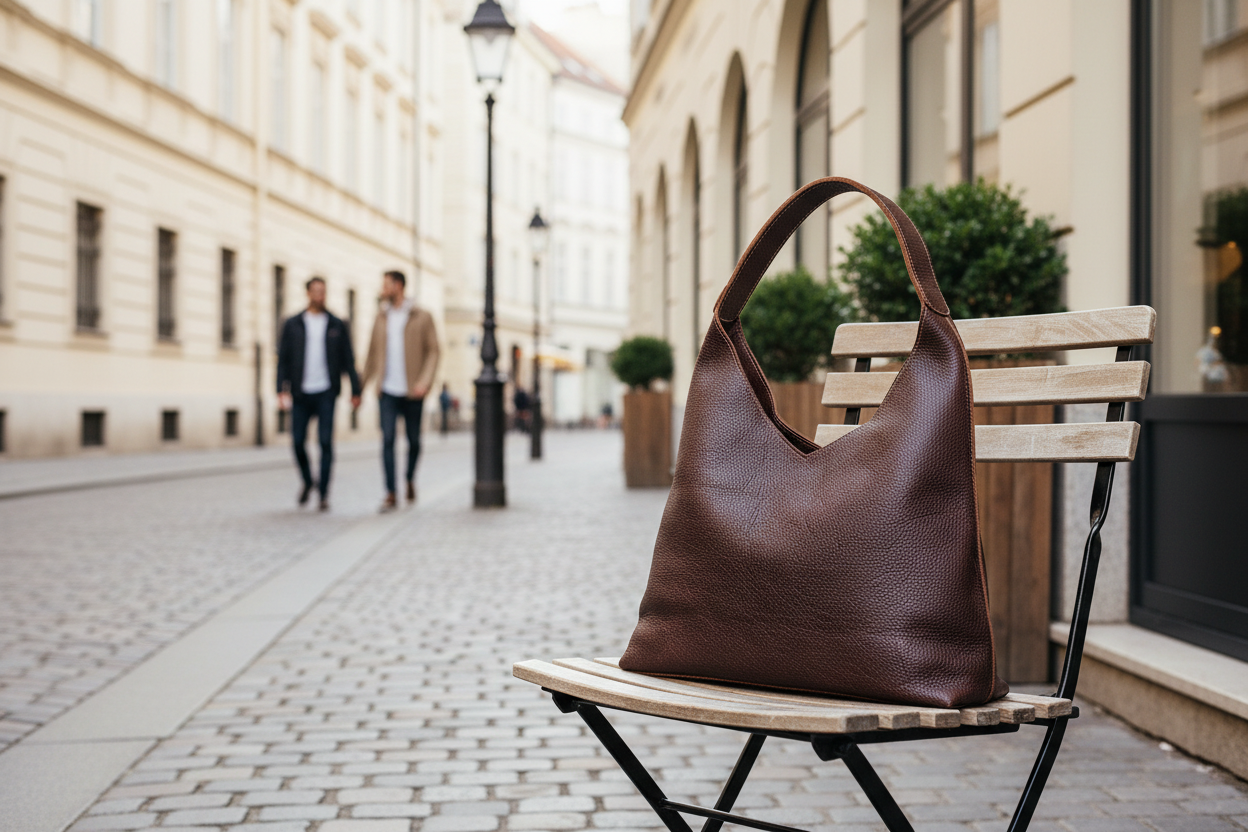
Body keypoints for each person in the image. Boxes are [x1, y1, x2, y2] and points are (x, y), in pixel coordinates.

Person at [276, 277, 361, 511]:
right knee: (297, 442)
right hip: (301, 393)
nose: (319, 296)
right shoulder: (293, 323)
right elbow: (283, 359)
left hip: (326, 392)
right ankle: (307, 480)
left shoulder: (336, 324)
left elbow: (348, 359)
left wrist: (356, 389)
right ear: (308, 294)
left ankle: (323, 494)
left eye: (323, 292)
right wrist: (280, 390)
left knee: (325, 443)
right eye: (315, 291)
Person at [361, 270, 440, 512]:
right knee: (387, 440)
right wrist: (360, 387)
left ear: (398, 286)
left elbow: (434, 351)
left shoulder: (422, 316)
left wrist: (424, 382)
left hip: (413, 390)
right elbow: (372, 354)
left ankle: (409, 478)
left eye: (386, 285)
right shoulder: (380, 317)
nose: (382, 289)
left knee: (414, 441)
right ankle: (391, 492)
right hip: (387, 389)